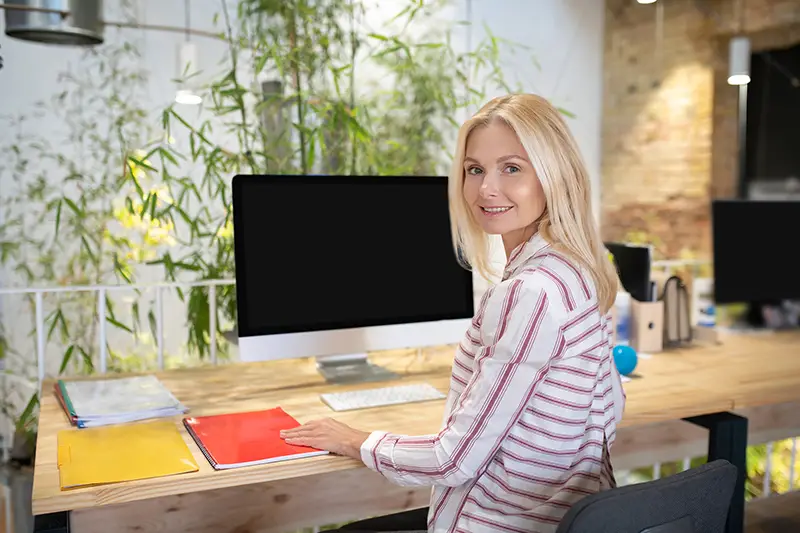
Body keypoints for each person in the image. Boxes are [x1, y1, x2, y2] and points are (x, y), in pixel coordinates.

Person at [280, 93, 626, 533]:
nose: (486, 189)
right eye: (474, 169)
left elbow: (453, 460)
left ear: (555, 176)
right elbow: (611, 406)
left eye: (512, 168)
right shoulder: (580, 272)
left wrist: (352, 439)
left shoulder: (530, 294)